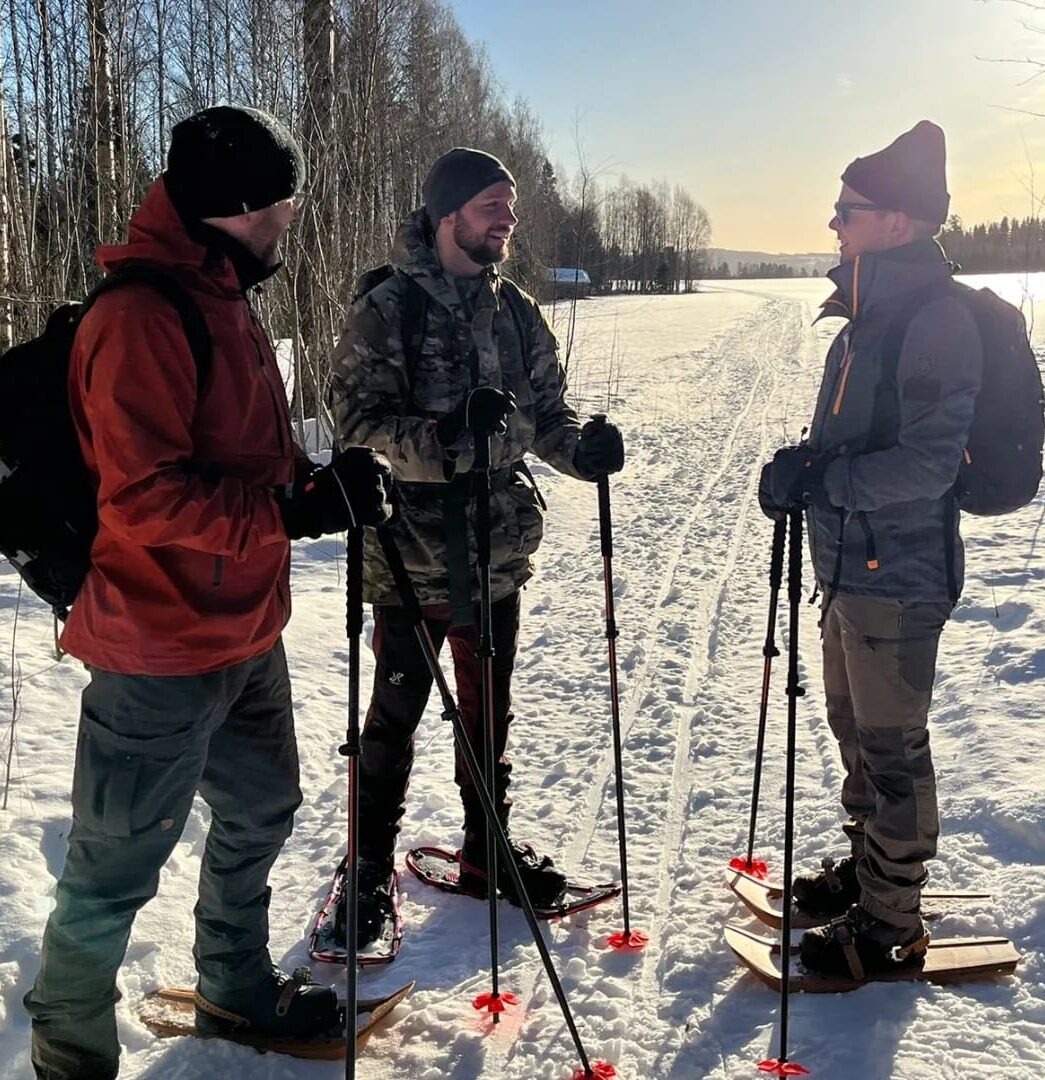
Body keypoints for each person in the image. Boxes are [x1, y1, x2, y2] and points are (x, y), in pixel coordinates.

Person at [23, 105, 394, 1079]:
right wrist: (290, 519)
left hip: (243, 629)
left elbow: (241, 462)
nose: (284, 226)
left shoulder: (226, 292)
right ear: (219, 209)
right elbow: (142, 498)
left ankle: (232, 988)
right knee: (110, 874)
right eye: (272, 209)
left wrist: (316, 483)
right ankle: (70, 1054)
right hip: (154, 644)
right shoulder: (141, 315)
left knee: (264, 807)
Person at [329, 146, 624, 944]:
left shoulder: (516, 310)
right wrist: (446, 435)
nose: (509, 220)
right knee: (392, 722)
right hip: (407, 559)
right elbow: (355, 426)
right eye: (494, 205)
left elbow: (547, 414)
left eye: (511, 208)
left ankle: (485, 849)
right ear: (448, 213)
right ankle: (365, 873)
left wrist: (579, 450)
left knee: (488, 717)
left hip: (494, 557)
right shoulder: (389, 307)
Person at [759, 121, 982, 978]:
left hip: (901, 572)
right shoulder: (867, 318)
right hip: (854, 568)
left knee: (892, 748)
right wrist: (806, 467)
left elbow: (928, 464)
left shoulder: (933, 321)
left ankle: (890, 922)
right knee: (854, 731)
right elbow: (858, 444)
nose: (834, 226)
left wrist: (825, 483)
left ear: (896, 221)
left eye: (847, 211)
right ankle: (868, 873)